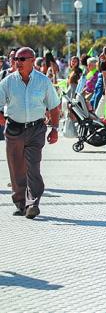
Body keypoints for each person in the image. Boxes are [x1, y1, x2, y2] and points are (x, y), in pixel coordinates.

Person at [0, 47, 60, 219]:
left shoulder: (43, 81)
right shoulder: (8, 81)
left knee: (33, 167)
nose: (17, 62)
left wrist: (55, 129)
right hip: (14, 129)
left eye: (22, 59)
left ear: (32, 60)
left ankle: (33, 203)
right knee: (16, 168)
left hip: (36, 129)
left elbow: (54, 106)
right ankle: (21, 204)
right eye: (16, 59)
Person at [91, 45, 106, 110]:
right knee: (97, 103)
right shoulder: (103, 63)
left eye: (103, 52)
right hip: (103, 85)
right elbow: (105, 77)